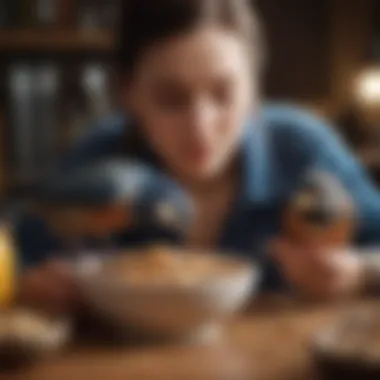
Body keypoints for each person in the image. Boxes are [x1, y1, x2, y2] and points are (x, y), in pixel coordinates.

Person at [15, 0, 380, 313]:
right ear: (127, 94)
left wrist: (360, 272)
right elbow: (14, 265)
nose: (200, 128)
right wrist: (32, 288)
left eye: (223, 95)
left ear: (255, 89)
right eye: (171, 100)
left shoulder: (302, 148)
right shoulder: (98, 162)